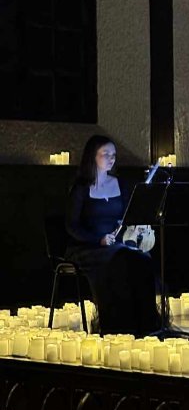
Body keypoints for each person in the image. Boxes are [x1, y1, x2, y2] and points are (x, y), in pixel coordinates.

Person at [65, 135, 160, 335]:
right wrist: (98, 239)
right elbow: (72, 226)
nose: (111, 158)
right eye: (105, 154)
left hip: (116, 245)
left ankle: (146, 324)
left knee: (143, 259)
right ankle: (118, 326)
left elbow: (130, 214)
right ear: (93, 156)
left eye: (113, 155)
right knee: (120, 260)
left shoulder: (121, 185)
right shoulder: (81, 189)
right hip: (89, 248)